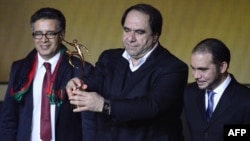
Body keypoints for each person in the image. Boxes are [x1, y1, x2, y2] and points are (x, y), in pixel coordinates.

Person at [66, 3, 188, 141]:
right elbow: (93, 81)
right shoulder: (109, 57)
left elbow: (152, 106)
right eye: (127, 30)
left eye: (139, 32)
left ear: (155, 36)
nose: (130, 38)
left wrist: (104, 105)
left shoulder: (174, 68)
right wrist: (78, 84)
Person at [0, 7, 95, 141]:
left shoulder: (81, 69)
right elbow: (8, 118)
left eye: (50, 33)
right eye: (38, 33)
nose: (43, 40)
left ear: (62, 35)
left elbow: (88, 123)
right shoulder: (19, 68)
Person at [184, 38, 250, 141]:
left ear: (222, 67)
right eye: (193, 68)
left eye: (203, 69)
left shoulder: (246, 99)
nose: (196, 75)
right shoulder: (188, 94)